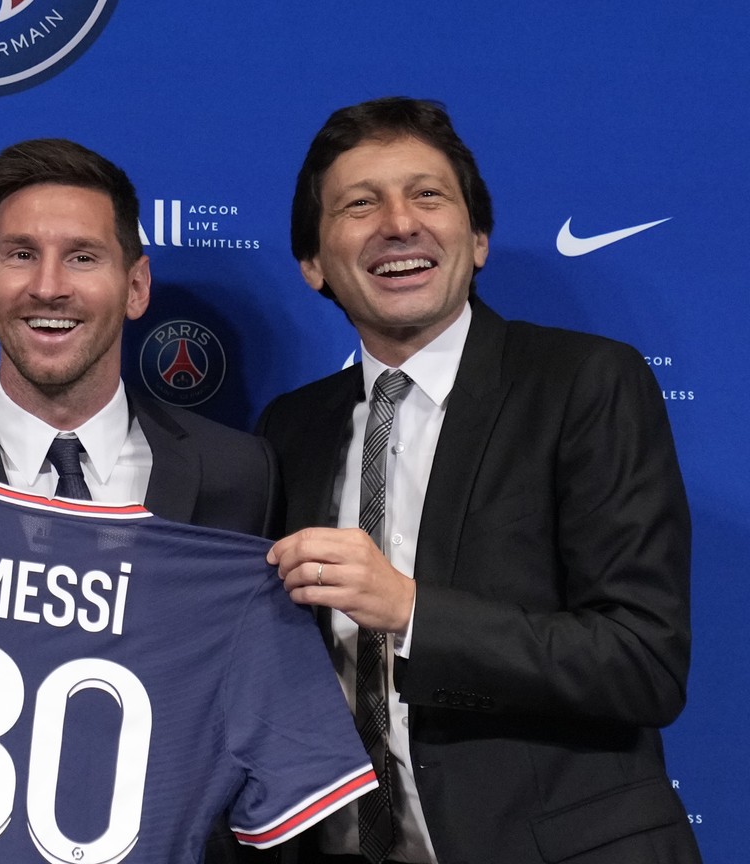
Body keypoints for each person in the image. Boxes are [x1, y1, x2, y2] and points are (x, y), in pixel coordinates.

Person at [259, 97, 699, 864]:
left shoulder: (585, 383)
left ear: (480, 238)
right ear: (313, 263)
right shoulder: (288, 429)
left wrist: (411, 610)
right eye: (360, 204)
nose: (399, 223)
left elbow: (644, 661)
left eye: (428, 195)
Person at [0, 137, 281, 863]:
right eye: (19, 255)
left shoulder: (239, 473)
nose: (48, 287)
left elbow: (256, 718)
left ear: (136, 287)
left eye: (82, 256)